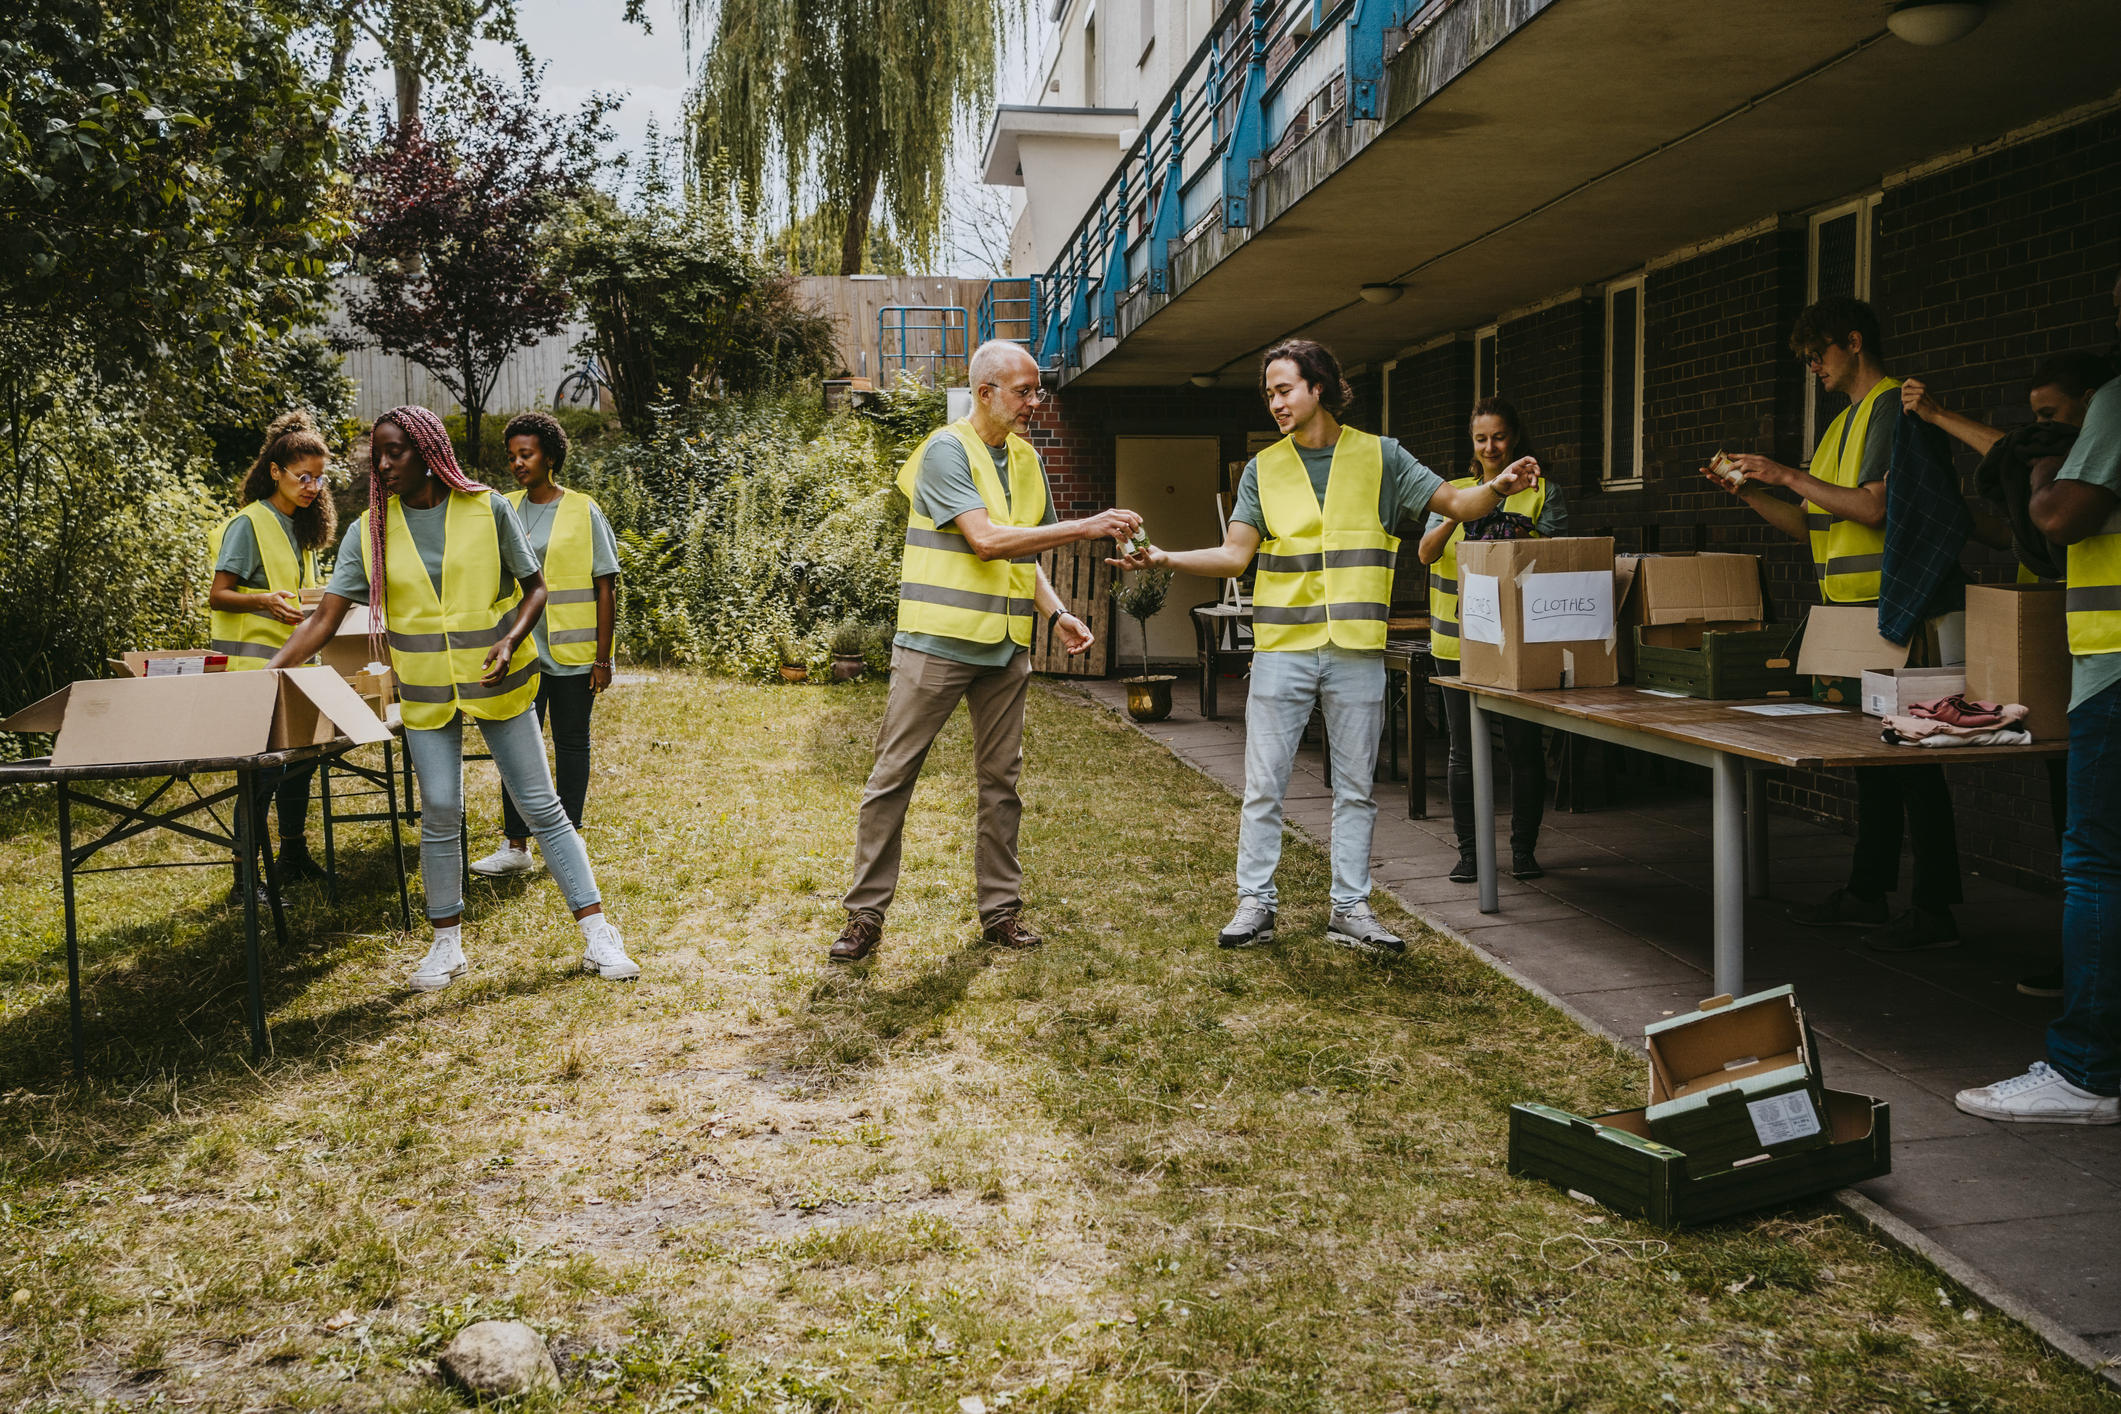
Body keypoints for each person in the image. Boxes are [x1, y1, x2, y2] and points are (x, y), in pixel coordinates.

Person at [1118, 339, 1537, 954]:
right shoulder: (1263, 469)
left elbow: (1459, 503)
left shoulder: (1382, 457)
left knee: (1356, 790)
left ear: (1319, 387)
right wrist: (1163, 558)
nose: (1275, 403)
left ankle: (1350, 908)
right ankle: (1255, 903)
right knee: (1264, 786)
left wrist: (1497, 486)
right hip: (1283, 649)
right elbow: (1235, 555)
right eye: (1269, 393)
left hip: (1356, 650)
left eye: (1284, 389)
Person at [267, 405, 640, 990]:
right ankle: (446, 946)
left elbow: (535, 587)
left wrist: (510, 640)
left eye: (394, 452)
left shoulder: (487, 507)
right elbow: (324, 619)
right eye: (377, 454)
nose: (381, 465)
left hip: (498, 681)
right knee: (440, 810)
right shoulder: (370, 531)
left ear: (428, 451)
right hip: (426, 691)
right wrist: (267, 673)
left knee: (541, 805)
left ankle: (598, 933)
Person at [829, 341, 1137, 964]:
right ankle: (865, 916)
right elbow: (988, 541)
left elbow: (1025, 550)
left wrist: (1057, 613)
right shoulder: (945, 451)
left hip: (1004, 648)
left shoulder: (1027, 459)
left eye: (1037, 391)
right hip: (936, 644)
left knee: (1002, 784)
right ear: (986, 392)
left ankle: (1000, 912)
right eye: (1024, 392)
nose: (1034, 403)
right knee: (893, 777)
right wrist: (1085, 525)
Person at [1707, 296, 1972, 953]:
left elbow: (1873, 508)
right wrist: (1754, 492)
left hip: (1899, 611)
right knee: (1872, 762)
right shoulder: (1839, 426)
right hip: (1856, 615)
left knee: (1912, 762)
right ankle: (1867, 892)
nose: (1811, 367)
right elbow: (1811, 524)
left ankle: (1934, 909)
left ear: (1853, 342)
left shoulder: (1888, 407)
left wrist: (1784, 472)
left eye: (1816, 354)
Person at [1902, 352, 2113, 996]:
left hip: (2094, 660)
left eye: (2050, 414)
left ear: (2090, 402)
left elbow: (2037, 480)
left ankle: (2088, 991)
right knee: (2075, 825)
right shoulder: (2067, 464)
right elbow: (2014, 522)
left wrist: (1939, 414)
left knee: (2092, 848)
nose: (2039, 429)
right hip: (2064, 652)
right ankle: (2083, 967)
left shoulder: (2086, 454)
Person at [1952, 347, 2121, 1125]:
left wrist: (2043, 465)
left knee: (2096, 867)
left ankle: (2084, 1073)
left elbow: (2056, 516)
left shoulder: (2114, 400)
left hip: (2113, 668)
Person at [1418, 396, 1568, 883]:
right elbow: (1425, 554)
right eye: (1481, 438)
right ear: (1472, 441)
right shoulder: (1451, 492)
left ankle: (1523, 850)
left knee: (1523, 750)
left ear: (1515, 438)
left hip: (1518, 644)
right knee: (1464, 752)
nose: (1490, 447)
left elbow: (1557, 563)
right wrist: (1460, 510)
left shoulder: (1542, 493)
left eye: (1499, 437)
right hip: (1456, 643)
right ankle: (1470, 854)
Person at [469, 412, 620, 879]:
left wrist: (603, 657)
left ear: (550, 457)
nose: (517, 463)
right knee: (517, 750)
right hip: (521, 653)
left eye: (526, 454)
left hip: (574, 655)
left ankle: (567, 842)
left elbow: (606, 586)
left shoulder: (583, 509)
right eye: (512, 456)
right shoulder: (503, 508)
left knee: (571, 744)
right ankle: (515, 845)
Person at [209, 410, 337, 887]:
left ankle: (293, 857)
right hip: (254, 672)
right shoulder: (249, 524)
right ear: (275, 472)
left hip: (296, 671)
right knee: (260, 776)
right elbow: (218, 594)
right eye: (303, 477)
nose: (312, 487)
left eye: (319, 478)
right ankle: (245, 879)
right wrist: (263, 600)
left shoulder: (301, 528)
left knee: (298, 766)